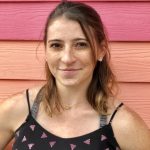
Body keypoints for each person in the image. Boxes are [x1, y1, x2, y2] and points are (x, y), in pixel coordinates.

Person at [0, 1, 150, 150]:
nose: (67, 58)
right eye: (56, 45)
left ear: (101, 50)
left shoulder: (122, 124)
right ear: (46, 51)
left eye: (80, 44)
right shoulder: (19, 109)